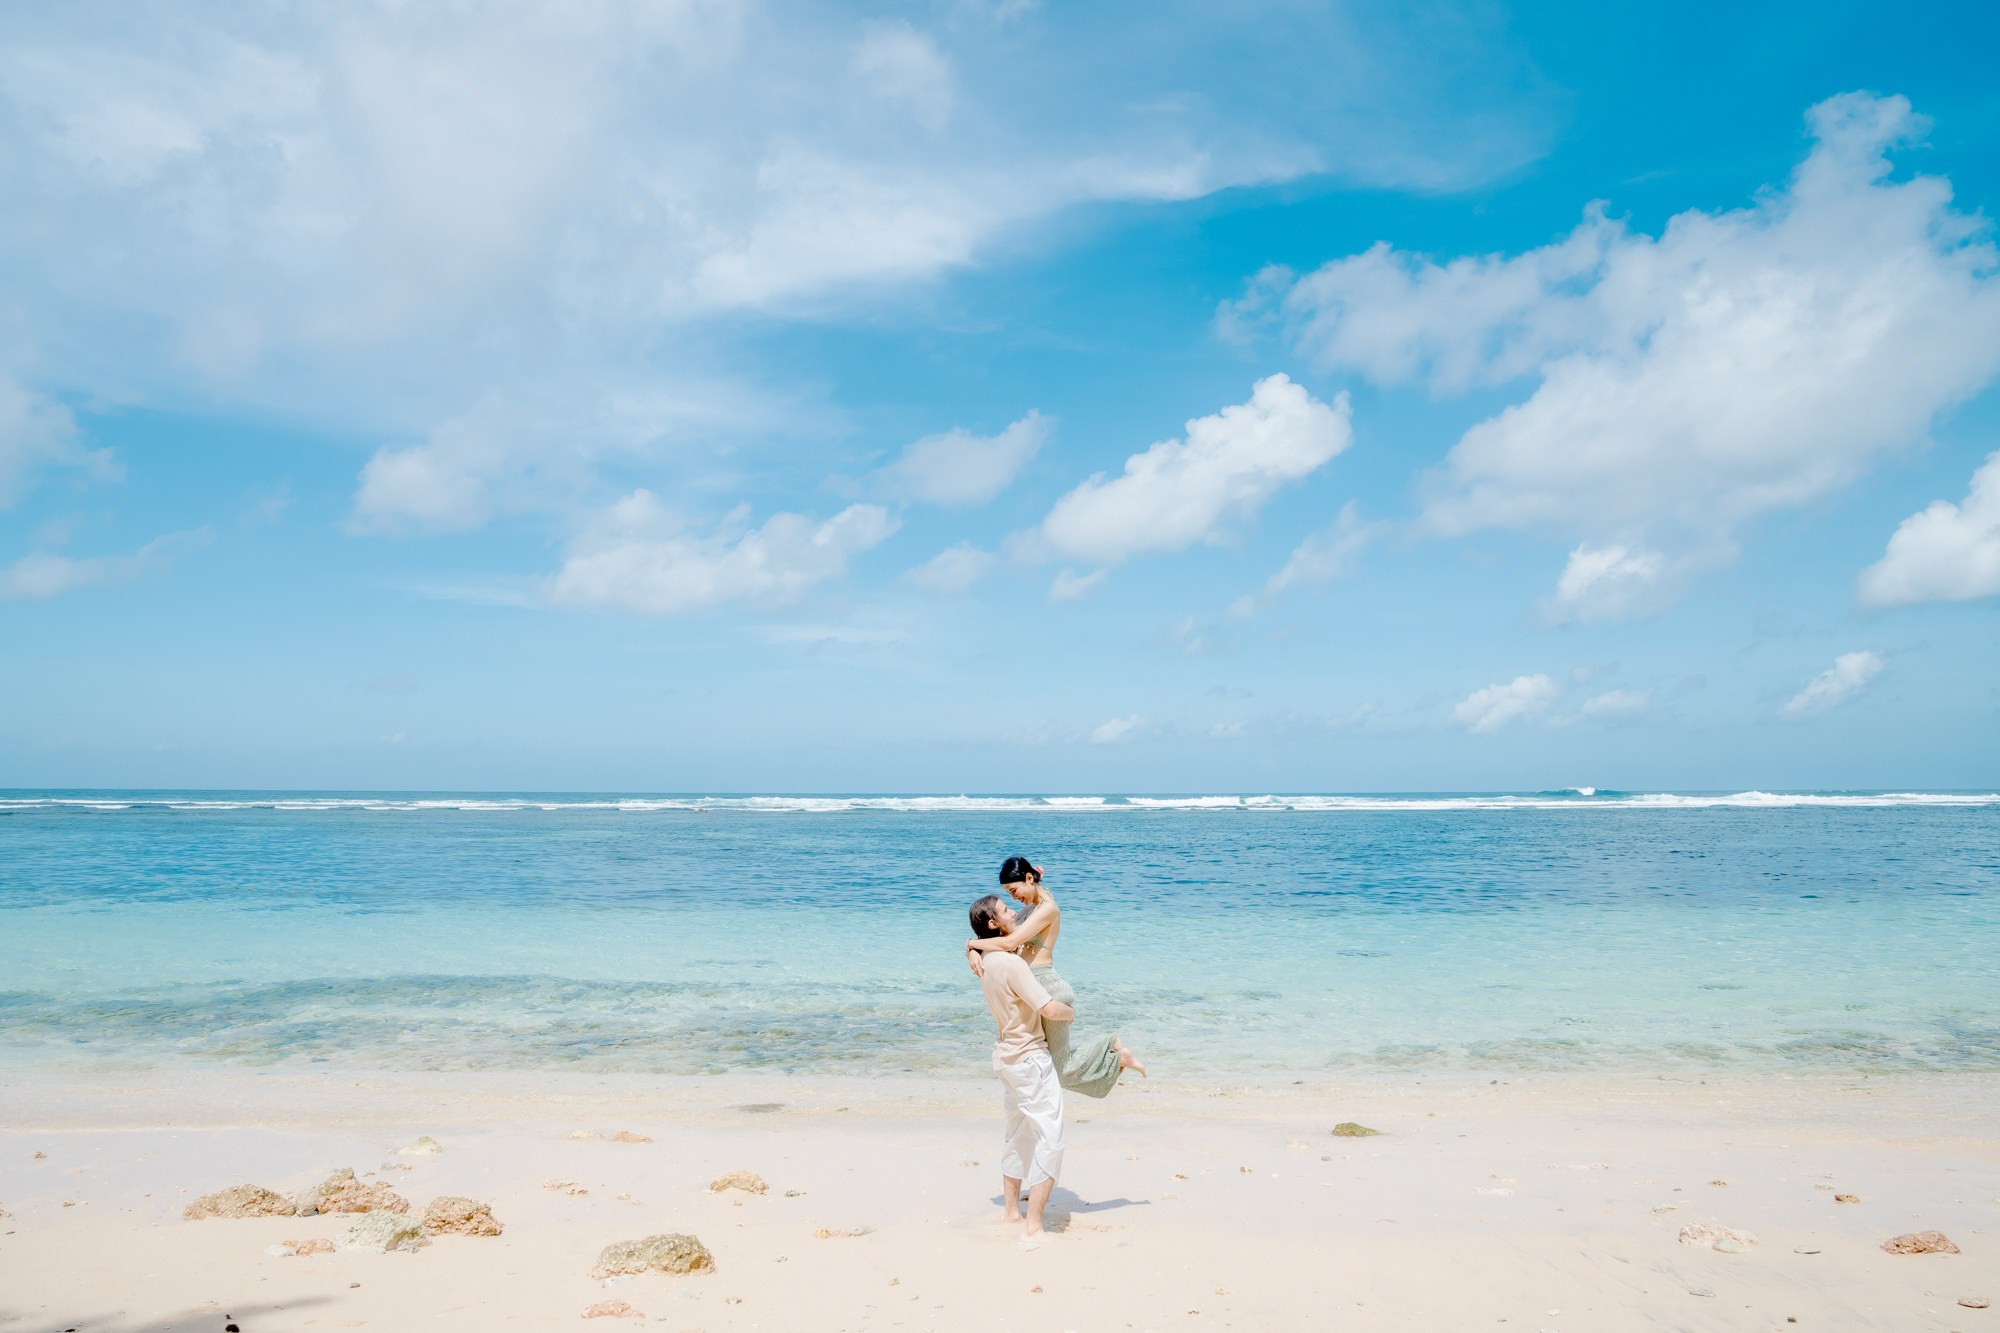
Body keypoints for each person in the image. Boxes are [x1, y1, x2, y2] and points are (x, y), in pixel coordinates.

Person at [965, 857, 1146, 1095]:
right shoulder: (1031, 906)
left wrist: (970, 944)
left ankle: (1113, 1050)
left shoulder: (1047, 908)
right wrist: (973, 952)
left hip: (1047, 987)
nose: (1013, 898)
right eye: (1008, 893)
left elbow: (1011, 940)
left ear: (1028, 879)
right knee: (1049, 1061)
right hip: (1034, 986)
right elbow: (1001, 926)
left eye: (1013, 890)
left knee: (1060, 1070)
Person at [970, 892, 1073, 1245]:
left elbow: (1036, 910)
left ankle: (1011, 1212)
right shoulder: (1013, 965)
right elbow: (1047, 1009)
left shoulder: (984, 963)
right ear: (993, 925)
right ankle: (1033, 1227)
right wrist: (1070, 1012)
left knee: (1017, 1134)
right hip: (1030, 1059)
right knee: (1051, 1138)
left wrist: (971, 946)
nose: (1014, 911)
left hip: (1006, 1059)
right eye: (1005, 910)